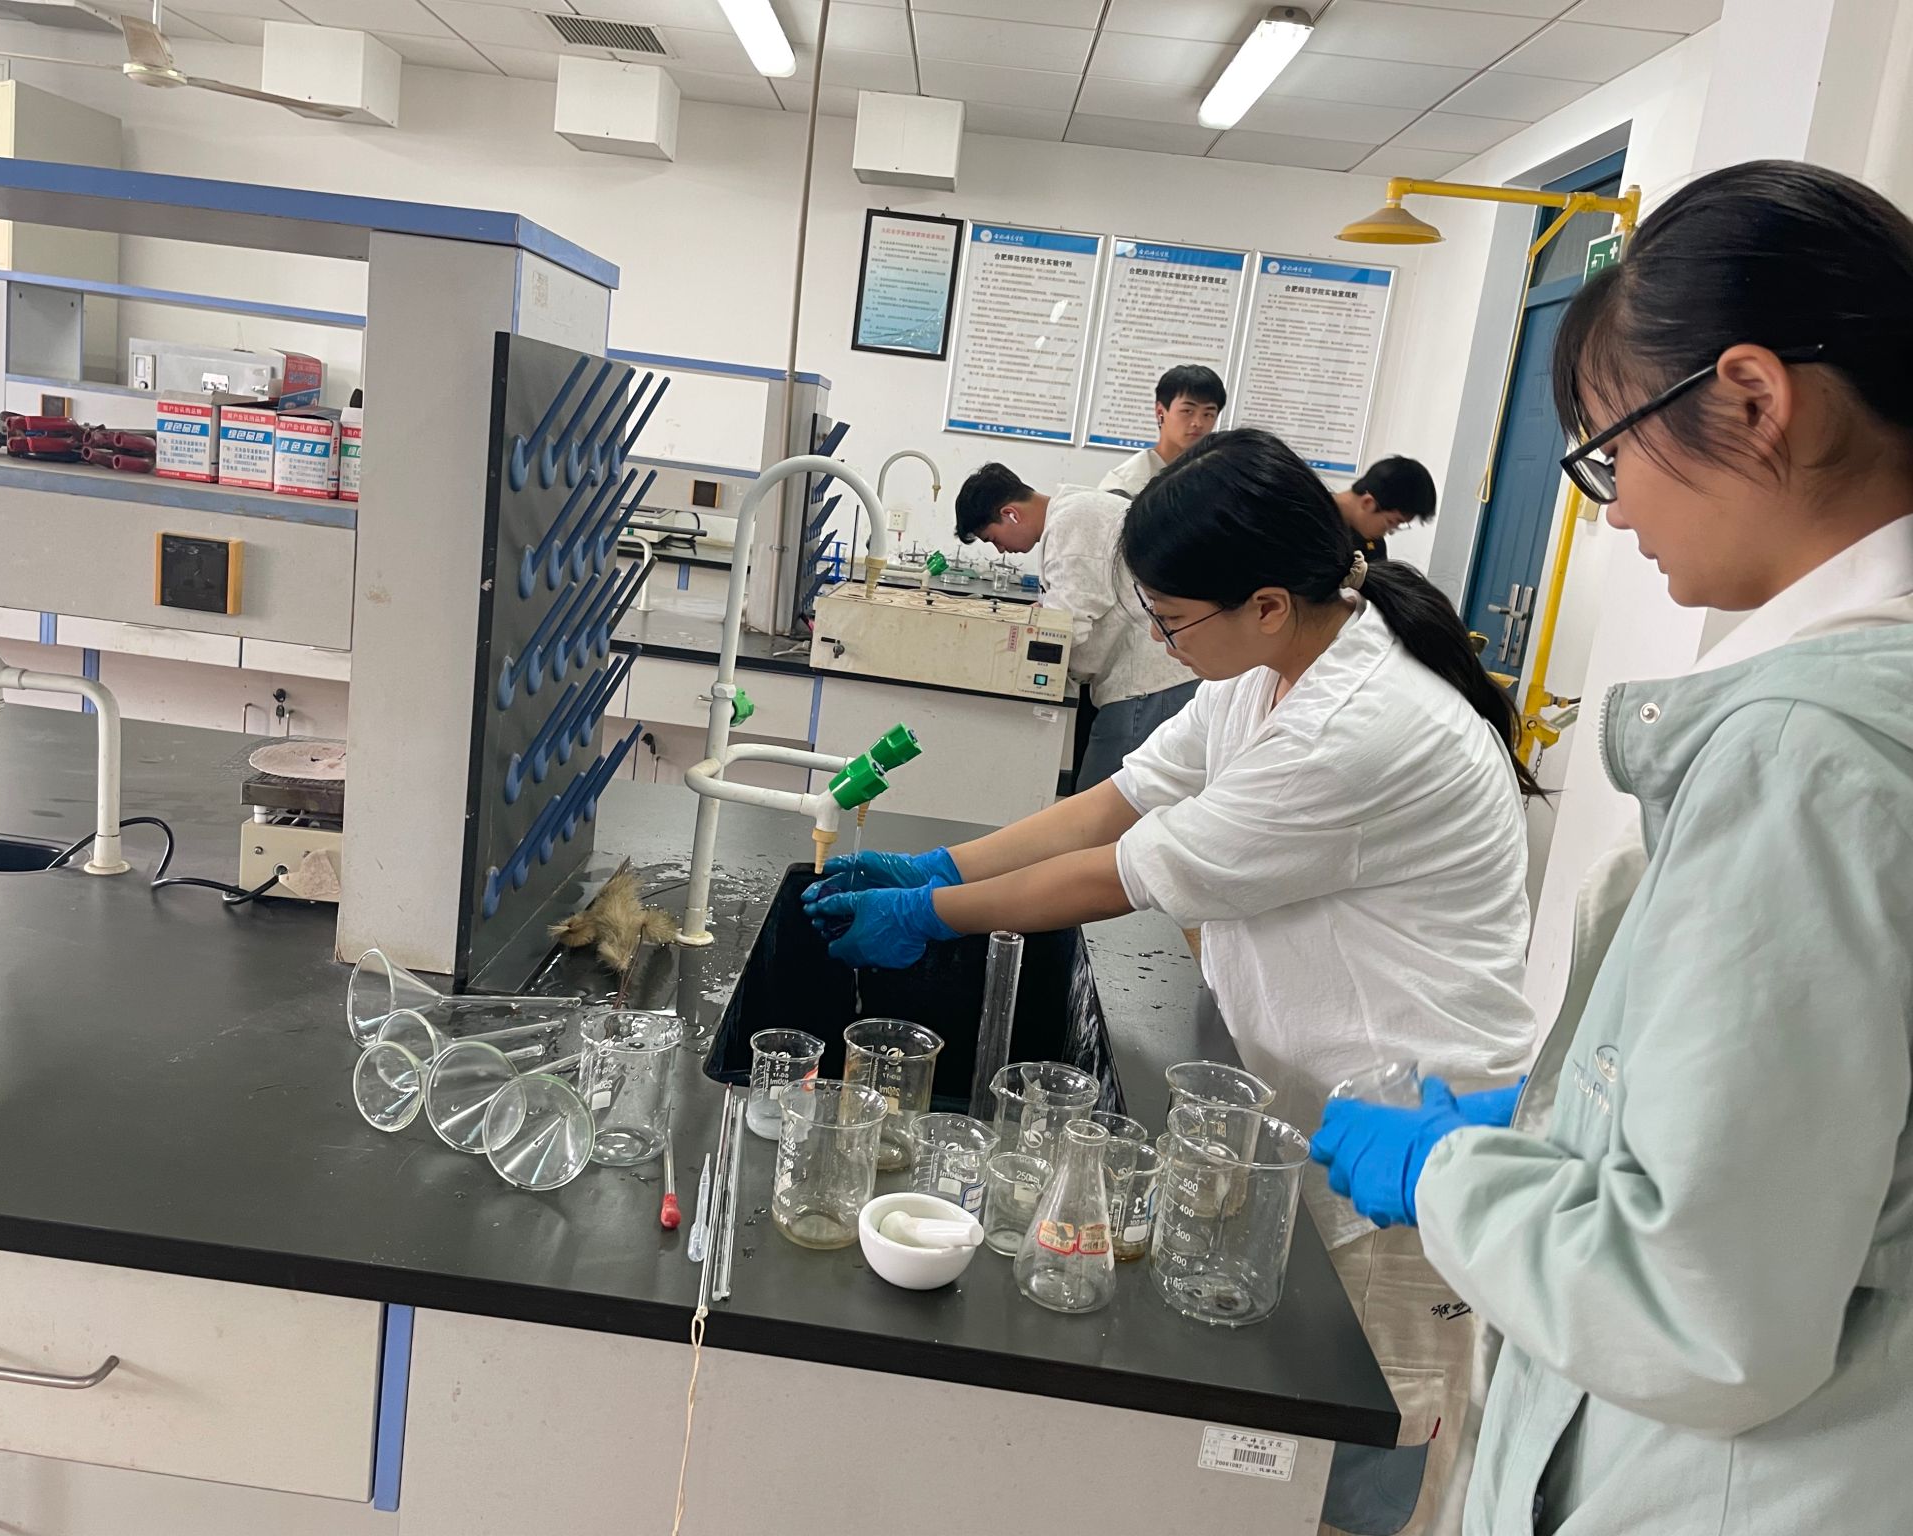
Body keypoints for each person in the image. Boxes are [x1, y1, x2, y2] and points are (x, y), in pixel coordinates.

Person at [1311, 159, 1913, 1535]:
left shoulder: (1805, 755)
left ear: (1752, 400)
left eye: (1609, 448)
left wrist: (1448, 1178)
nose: (1610, 506)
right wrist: (1561, 1134)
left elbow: (1700, 1309)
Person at [815, 427, 1542, 1535]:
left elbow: (1122, 873)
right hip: (1318, 1107)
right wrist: (941, 866)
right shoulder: (1278, 669)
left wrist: (931, 916)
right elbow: (1116, 801)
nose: (1160, 641)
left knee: (1376, 1467)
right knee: (1298, 1454)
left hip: (1415, 1140)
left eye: (1171, 621)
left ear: (1265, 602)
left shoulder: (1353, 727)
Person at [954, 463, 1198, 789]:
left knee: (1100, 803)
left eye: (993, 539)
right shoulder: (1074, 510)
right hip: (1146, 680)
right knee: (1113, 798)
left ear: (1010, 514)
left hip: (1147, 686)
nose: (1000, 550)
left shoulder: (1072, 522)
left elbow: (1068, 624)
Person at [1099, 364, 1225, 499]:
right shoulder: (1125, 485)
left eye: (1208, 414)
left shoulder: (1219, 479)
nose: (1198, 423)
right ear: (1160, 412)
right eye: (1187, 411)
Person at [1335, 455, 1438, 561]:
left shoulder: (1373, 541)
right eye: (1391, 522)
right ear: (1368, 503)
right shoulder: (1323, 525)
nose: (1390, 532)